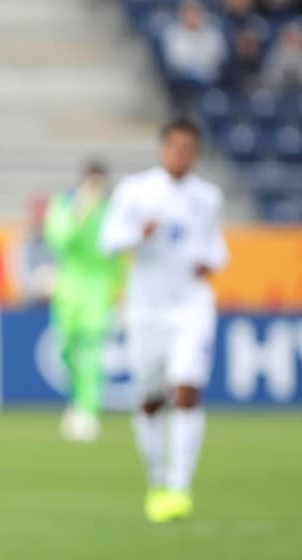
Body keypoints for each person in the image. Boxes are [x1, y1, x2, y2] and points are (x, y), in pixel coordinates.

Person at [99, 118, 229, 524]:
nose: (182, 155)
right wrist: (140, 232)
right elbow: (108, 241)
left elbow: (217, 248)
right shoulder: (136, 192)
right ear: (162, 148)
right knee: (150, 400)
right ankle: (157, 478)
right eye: (175, 147)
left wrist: (212, 262)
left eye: (189, 149)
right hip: (146, 309)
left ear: (197, 153)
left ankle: (180, 486)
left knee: (187, 389)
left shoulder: (207, 197)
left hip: (191, 305)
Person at [42, 161, 126, 442]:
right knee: (65, 350)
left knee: (90, 349)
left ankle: (88, 410)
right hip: (68, 287)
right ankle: (76, 401)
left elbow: (119, 254)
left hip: (98, 288)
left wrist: (121, 292)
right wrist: (80, 211)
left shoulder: (112, 211)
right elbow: (58, 239)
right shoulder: (64, 205)